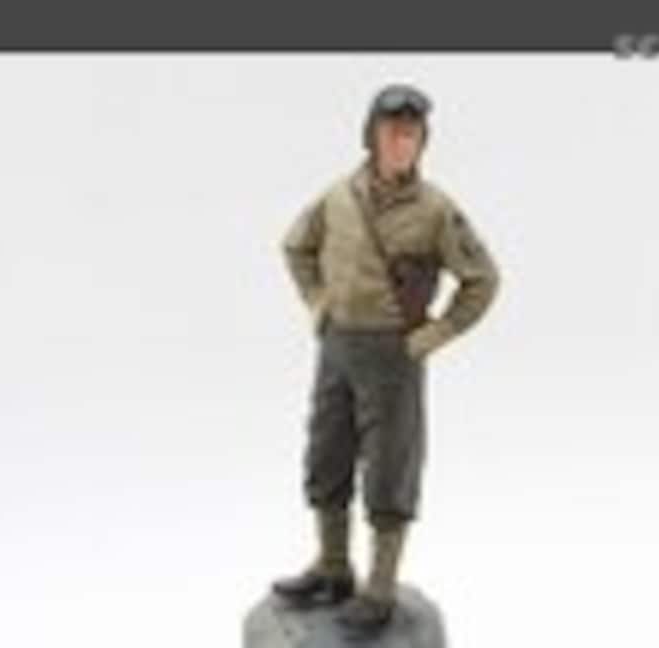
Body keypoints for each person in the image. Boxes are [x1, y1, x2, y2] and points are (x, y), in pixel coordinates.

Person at [271, 82, 501, 635]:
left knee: (390, 468)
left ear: (422, 142)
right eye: (391, 132)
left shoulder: (435, 210)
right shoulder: (338, 197)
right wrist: (319, 304)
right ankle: (333, 566)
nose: (400, 143)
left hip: (394, 355)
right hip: (337, 346)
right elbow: (296, 246)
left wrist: (435, 333)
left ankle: (380, 586)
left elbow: (483, 279)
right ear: (371, 136)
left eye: (411, 135)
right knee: (326, 455)